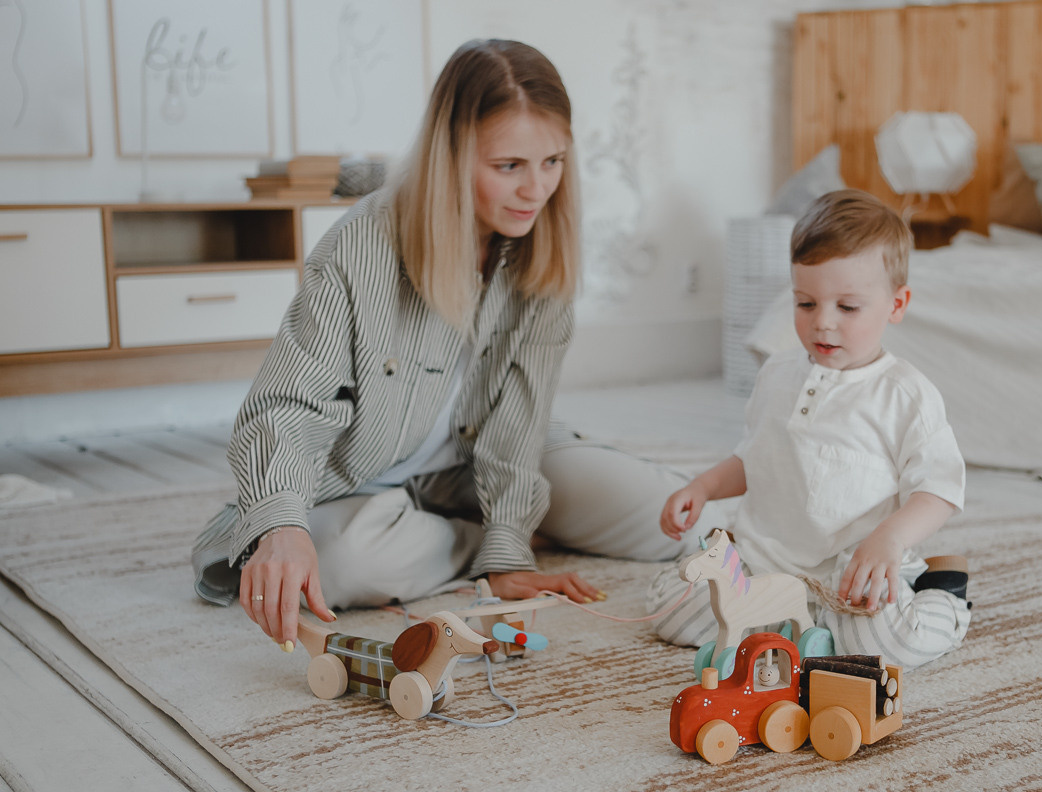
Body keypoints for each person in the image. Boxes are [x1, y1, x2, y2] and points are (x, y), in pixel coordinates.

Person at [191, 39, 725, 652]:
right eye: (509, 167)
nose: (536, 189)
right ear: (452, 154)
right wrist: (282, 525)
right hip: (355, 484)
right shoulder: (361, 246)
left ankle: (490, 528)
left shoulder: (541, 244)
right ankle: (478, 539)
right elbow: (286, 406)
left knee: (683, 522)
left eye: (552, 161)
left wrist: (511, 537)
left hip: (485, 467)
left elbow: (521, 420)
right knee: (341, 564)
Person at [648, 189, 971, 670]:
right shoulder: (777, 373)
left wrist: (890, 539)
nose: (822, 323)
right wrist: (703, 487)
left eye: (847, 307)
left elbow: (939, 489)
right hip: (765, 562)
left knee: (887, 648)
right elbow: (753, 458)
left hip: (852, 570)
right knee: (670, 610)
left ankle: (944, 596)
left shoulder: (904, 393)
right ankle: (791, 629)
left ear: (896, 304)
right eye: (805, 303)